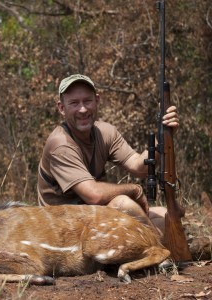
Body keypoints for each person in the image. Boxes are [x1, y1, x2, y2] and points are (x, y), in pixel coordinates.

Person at [37, 74, 180, 235]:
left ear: (97, 100)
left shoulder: (105, 132)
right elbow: (94, 195)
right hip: (62, 230)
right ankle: (156, 248)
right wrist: (134, 189)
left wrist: (163, 134)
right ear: (61, 108)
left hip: (91, 217)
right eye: (74, 103)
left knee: (164, 213)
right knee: (123, 204)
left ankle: (156, 243)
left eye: (87, 101)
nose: (83, 109)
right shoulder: (60, 144)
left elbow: (140, 167)